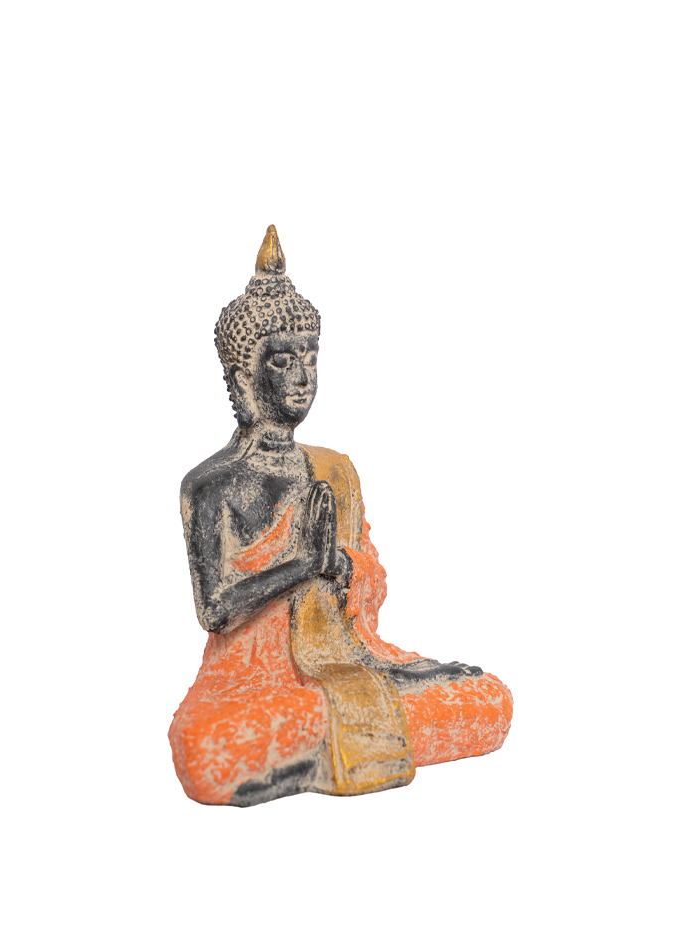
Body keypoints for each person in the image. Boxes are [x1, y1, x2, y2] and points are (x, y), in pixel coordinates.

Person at [169, 226, 513, 806]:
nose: (303, 376)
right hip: (252, 682)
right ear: (243, 375)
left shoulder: (335, 470)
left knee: (490, 700)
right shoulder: (210, 485)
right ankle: (322, 740)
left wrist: (346, 569)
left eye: (310, 357)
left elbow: (368, 598)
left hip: (344, 661)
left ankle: (311, 746)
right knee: (205, 749)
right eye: (283, 361)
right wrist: (304, 564)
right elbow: (215, 611)